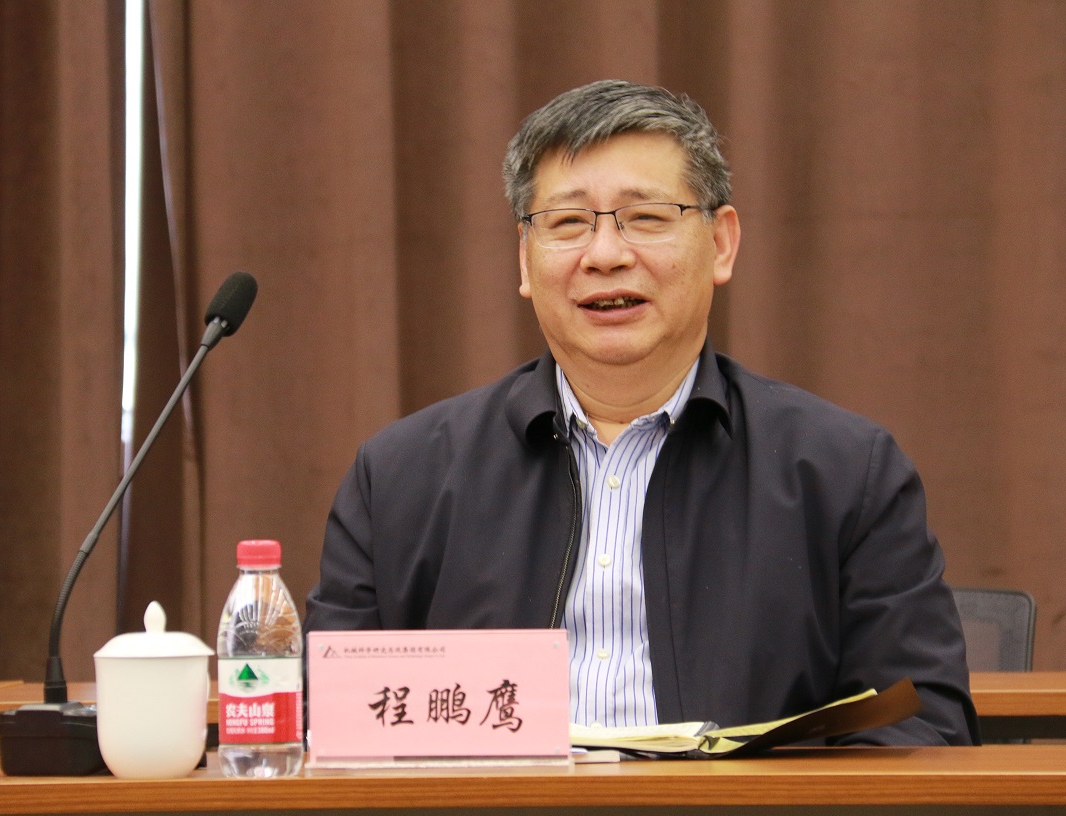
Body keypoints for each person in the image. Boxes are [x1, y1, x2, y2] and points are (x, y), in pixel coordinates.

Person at [306, 79, 978, 747]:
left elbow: (918, 726)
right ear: (524, 259)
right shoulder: (402, 477)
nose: (605, 255)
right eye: (567, 223)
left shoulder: (846, 472)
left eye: (648, 217)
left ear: (721, 243)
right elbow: (327, 728)